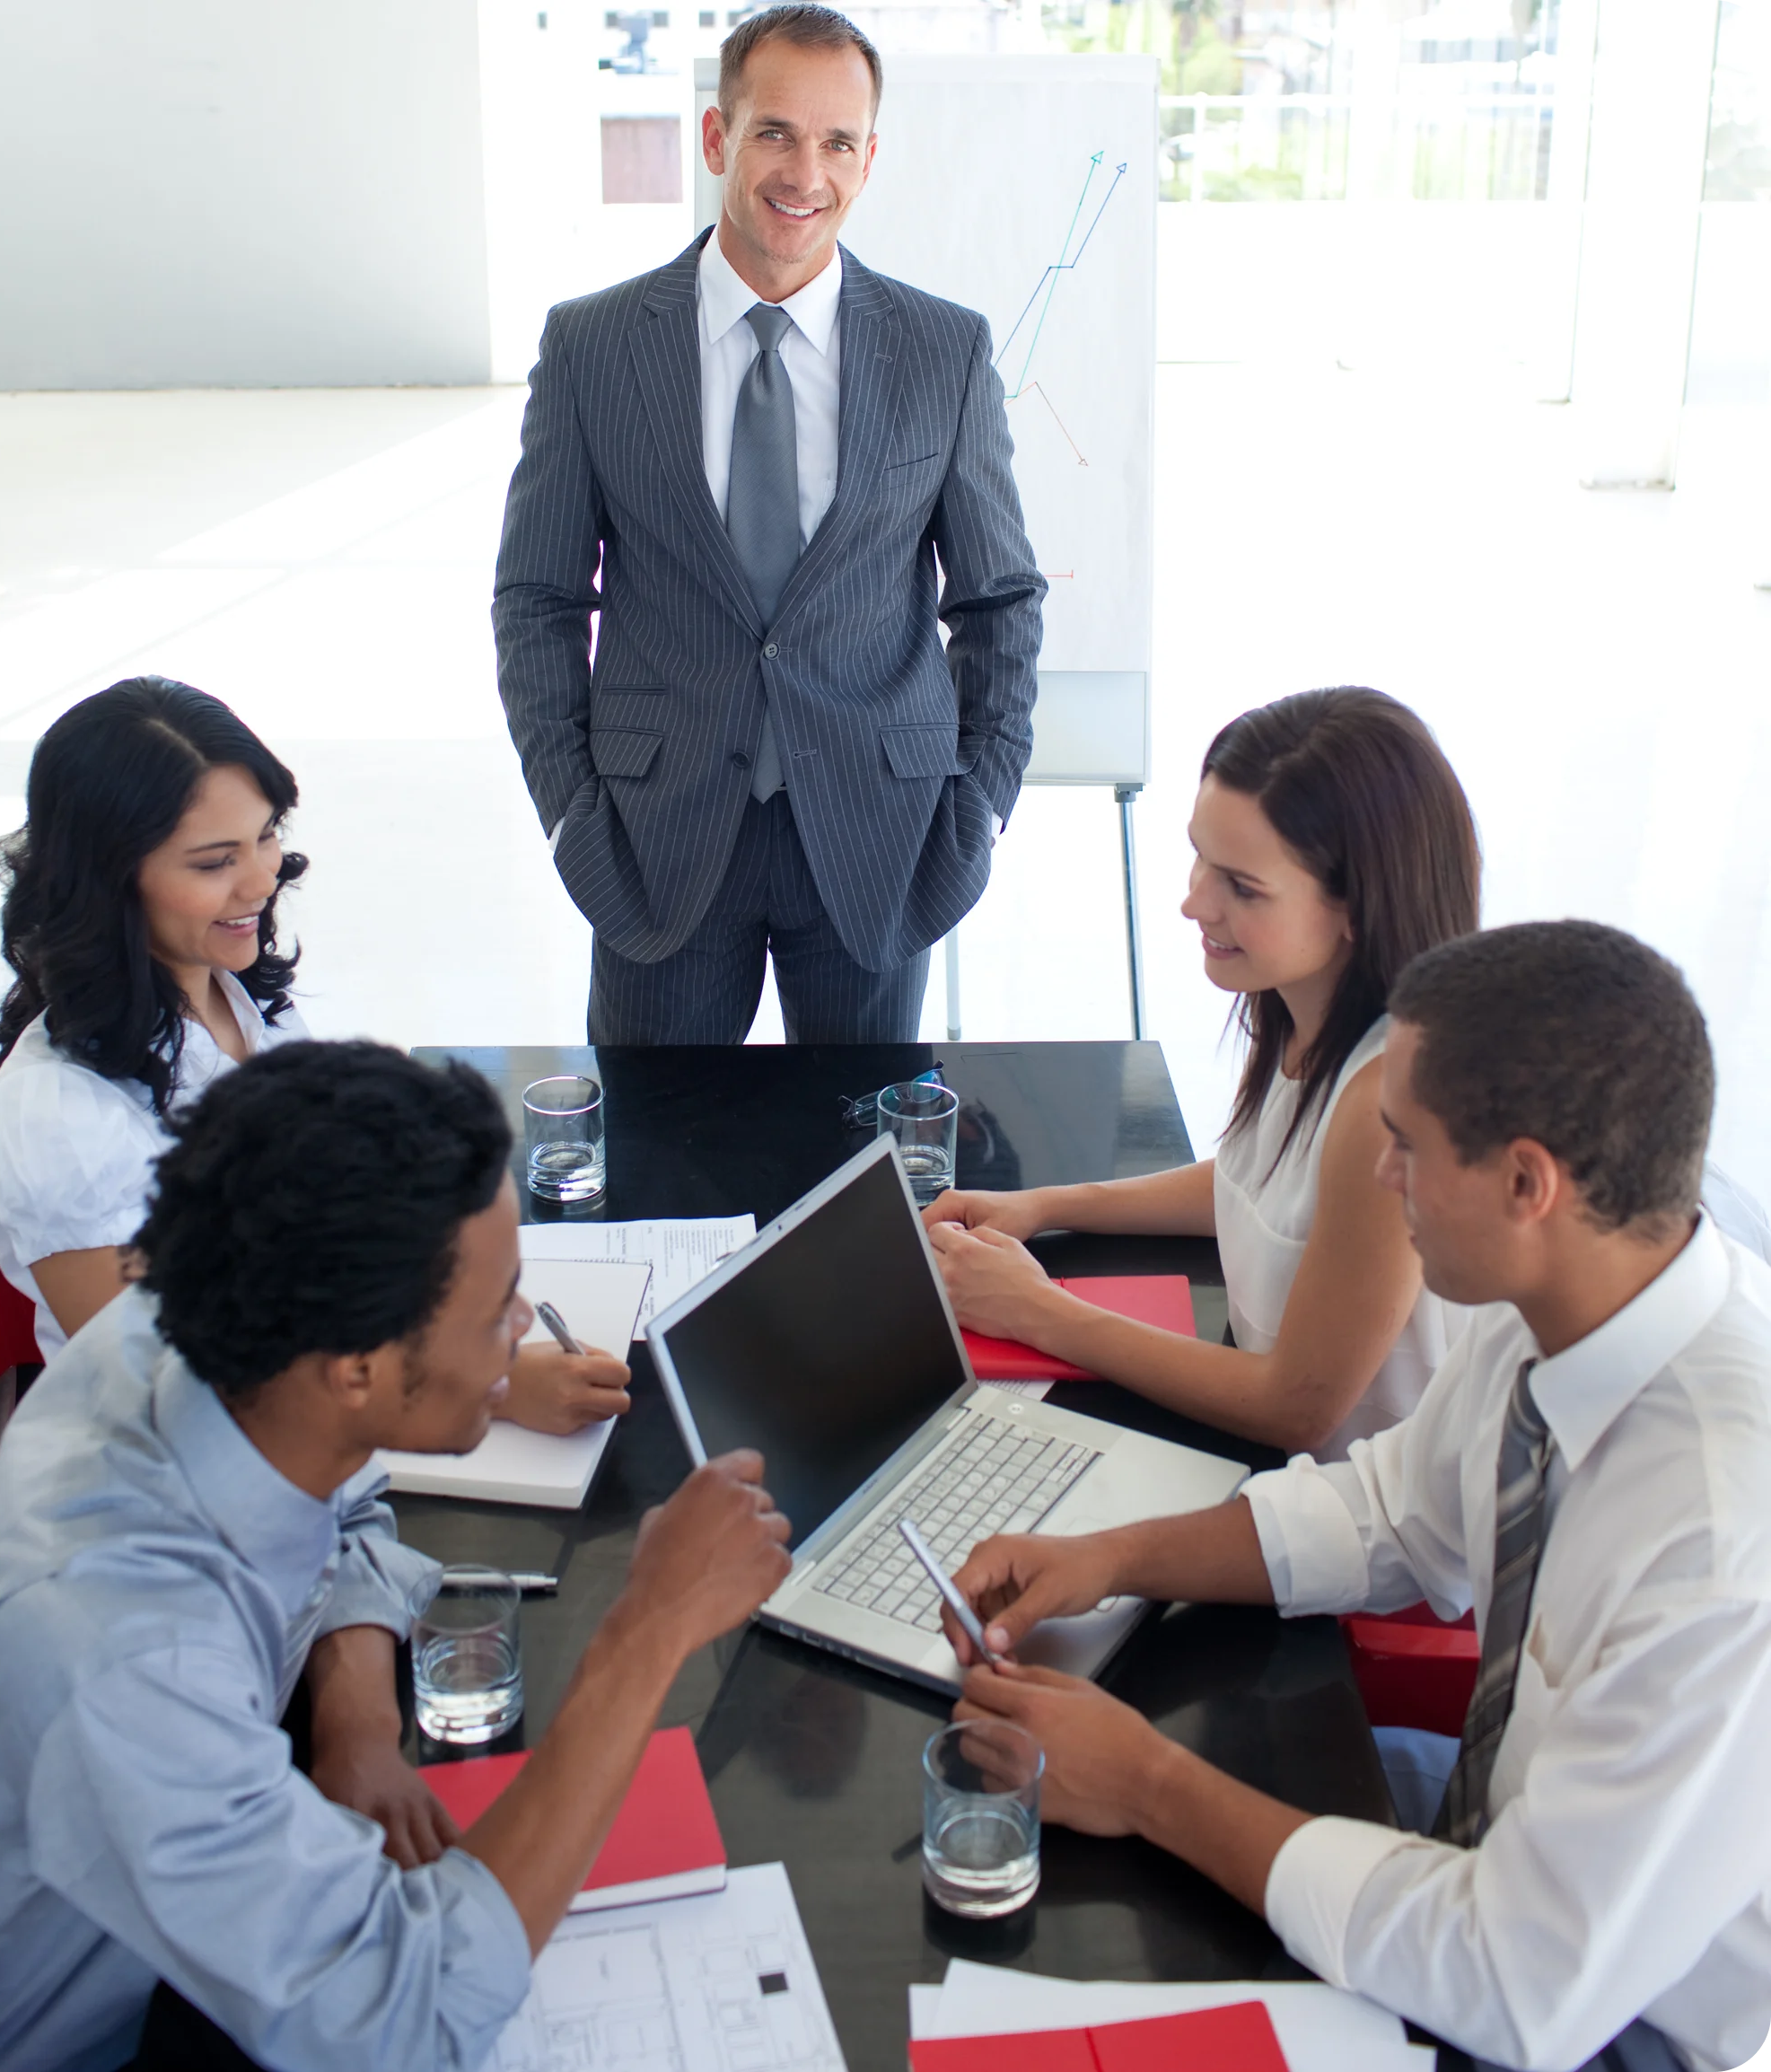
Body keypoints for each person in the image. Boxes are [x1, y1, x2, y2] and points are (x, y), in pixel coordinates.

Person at [946, 922, 1771, 2072]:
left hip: (1633, 2023)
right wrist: (1111, 1553)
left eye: (1405, 1146)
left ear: (1527, 1182)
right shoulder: (1571, 1306)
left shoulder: (1724, 1539)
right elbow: (1390, 1514)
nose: (1380, 1178)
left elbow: (1515, 1980)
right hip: (1504, 1852)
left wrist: (1145, 1783)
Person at [0, 1041, 793, 2071]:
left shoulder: (209, 1329)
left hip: (190, 1903)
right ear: (357, 1368)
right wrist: (646, 1631)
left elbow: (346, 1489)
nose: (525, 1325)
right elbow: (410, 2019)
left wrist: (355, 1726)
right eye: (496, 1309)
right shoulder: (127, 1658)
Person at [494, 3, 1044, 1046]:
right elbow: (538, 599)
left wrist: (978, 808)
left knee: (863, 1176)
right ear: (717, 137)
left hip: (882, 840)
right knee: (658, 1172)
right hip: (657, 849)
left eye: (838, 141)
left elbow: (999, 599)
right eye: (776, 133)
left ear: (869, 158)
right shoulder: (592, 346)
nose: (807, 173)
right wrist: (570, 809)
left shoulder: (944, 351)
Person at [0, 676, 627, 1437]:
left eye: (265, 835)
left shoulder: (230, 990)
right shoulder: (58, 1116)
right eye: (214, 862)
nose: (263, 879)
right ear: (111, 883)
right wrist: (490, 1381)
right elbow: (175, 1388)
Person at [926, 687, 1479, 1457]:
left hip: (1366, 1524)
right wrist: (1046, 1203)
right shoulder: (1295, 1000)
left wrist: (1038, 1310)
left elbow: (1295, 1409)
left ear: (1359, 905)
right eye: (1199, 856)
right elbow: (1258, 1187)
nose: (1193, 902)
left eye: (1242, 886)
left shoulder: (1390, 1104)